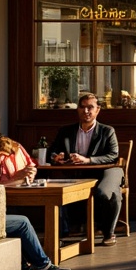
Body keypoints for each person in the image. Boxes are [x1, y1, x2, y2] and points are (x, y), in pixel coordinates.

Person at [0, 113, 71, 270]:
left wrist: (29, 173)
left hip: (14, 194)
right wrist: (15, 177)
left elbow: (30, 165)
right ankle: (42, 267)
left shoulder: (14, 147)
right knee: (22, 222)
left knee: (43, 206)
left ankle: (27, 265)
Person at [49, 93, 123, 245]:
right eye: (82, 107)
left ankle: (108, 232)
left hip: (106, 170)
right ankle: (63, 232)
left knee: (104, 192)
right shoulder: (66, 131)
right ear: (78, 110)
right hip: (76, 172)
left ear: (98, 110)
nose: (86, 111)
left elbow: (113, 155)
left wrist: (88, 160)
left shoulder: (107, 131)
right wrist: (57, 157)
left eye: (90, 107)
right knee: (53, 190)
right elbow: (52, 151)